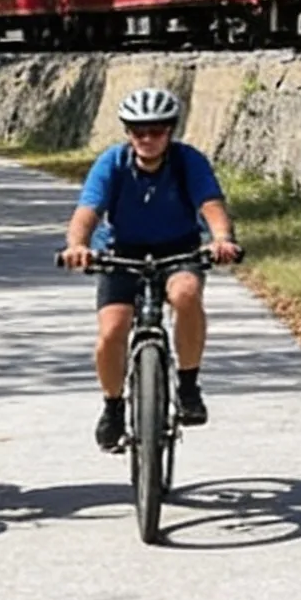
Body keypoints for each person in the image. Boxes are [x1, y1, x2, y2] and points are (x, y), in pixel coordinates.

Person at [59, 86, 242, 452]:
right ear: (127, 133)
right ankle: (113, 407)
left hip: (178, 247)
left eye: (156, 131)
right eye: (138, 131)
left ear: (170, 132)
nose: (147, 138)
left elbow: (211, 204)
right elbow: (87, 212)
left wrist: (222, 238)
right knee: (112, 329)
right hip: (120, 250)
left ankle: (188, 386)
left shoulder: (188, 161)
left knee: (185, 294)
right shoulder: (111, 163)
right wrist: (77, 246)